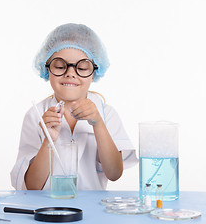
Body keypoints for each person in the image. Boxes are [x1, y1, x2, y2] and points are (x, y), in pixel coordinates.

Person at [10, 23, 137, 190]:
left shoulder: (106, 114)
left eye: (82, 67)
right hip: (48, 210)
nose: (70, 73)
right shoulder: (36, 115)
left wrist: (98, 124)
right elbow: (32, 186)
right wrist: (49, 140)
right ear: (47, 69)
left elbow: (114, 174)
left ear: (94, 73)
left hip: (93, 211)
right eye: (60, 66)